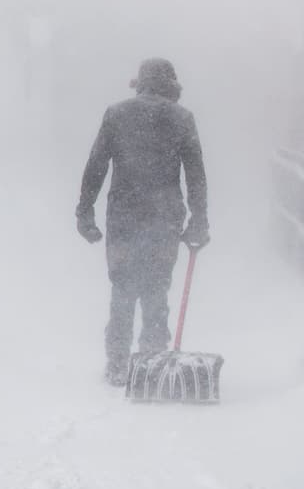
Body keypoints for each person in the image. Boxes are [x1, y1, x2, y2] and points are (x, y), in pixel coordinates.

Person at [76, 58, 209, 386]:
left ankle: (118, 363)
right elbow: (195, 175)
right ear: (171, 85)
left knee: (122, 287)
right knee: (155, 287)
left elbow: (96, 166)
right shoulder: (182, 119)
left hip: (124, 216)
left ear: (140, 84)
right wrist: (199, 219)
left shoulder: (117, 115)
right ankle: (151, 359)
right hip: (164, 218)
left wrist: (85, 211)